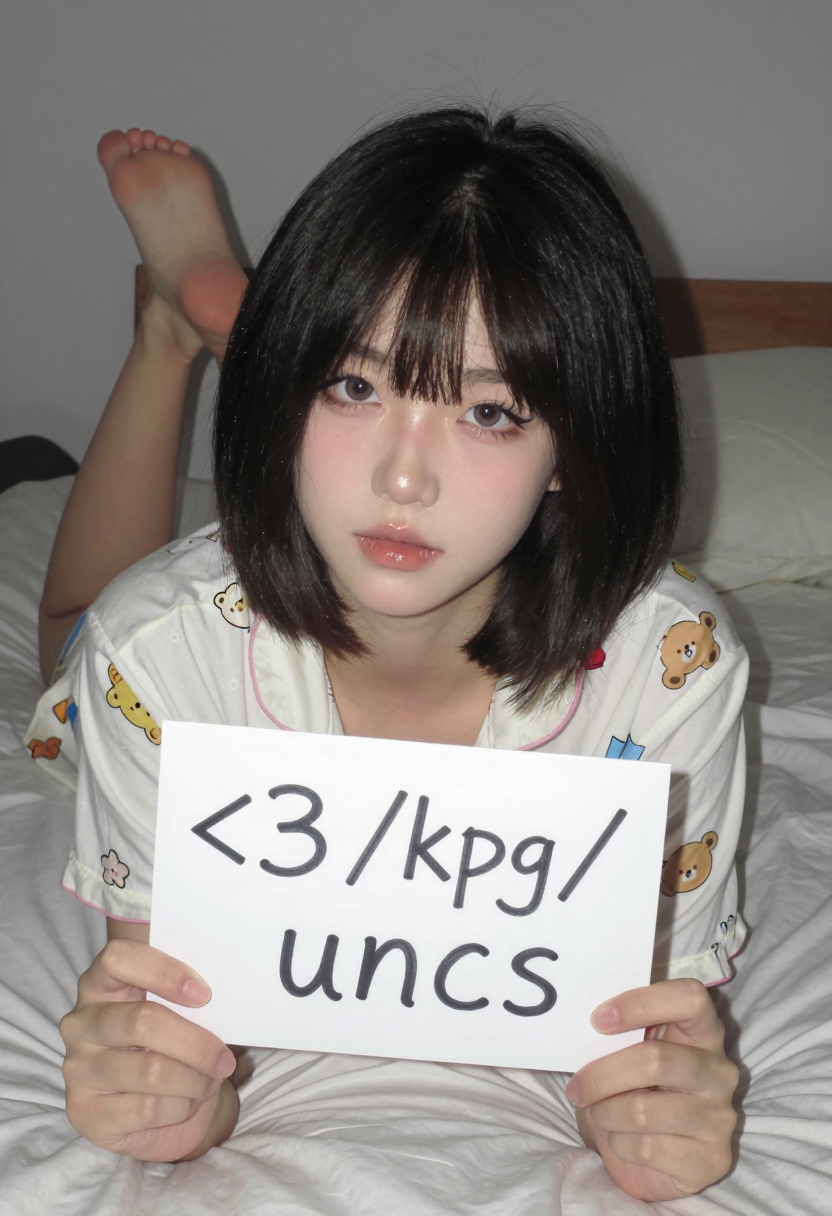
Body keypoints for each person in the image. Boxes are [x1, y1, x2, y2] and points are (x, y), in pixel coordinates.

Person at [29, 112, 745, 1202]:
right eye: (353, 386)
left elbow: (648, 1043)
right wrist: (174, 1092)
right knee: (78, 634)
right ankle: (182, 326)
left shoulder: (675, 671)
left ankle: (223, 317)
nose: (404, 480)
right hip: (194, 620)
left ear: (573, 447)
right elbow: (173, 1017)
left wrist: (665, 1105)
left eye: (492, 411)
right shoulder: (160, 649)